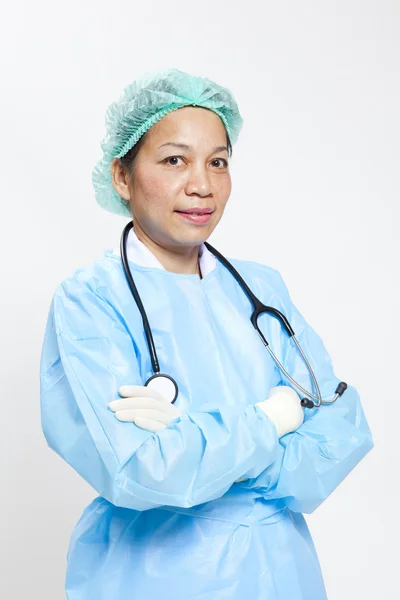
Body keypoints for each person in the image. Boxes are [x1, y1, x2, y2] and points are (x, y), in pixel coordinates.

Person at [40, 68, 373, 600]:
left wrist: (198, 445)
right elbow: (136, 470)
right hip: (150, 579)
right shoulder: (91, 301)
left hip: (281, 575)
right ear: (122, 177)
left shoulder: (259, 288)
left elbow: (342, 431)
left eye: (218, 161)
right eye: (175, 159)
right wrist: (274, 419)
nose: (202, 184)